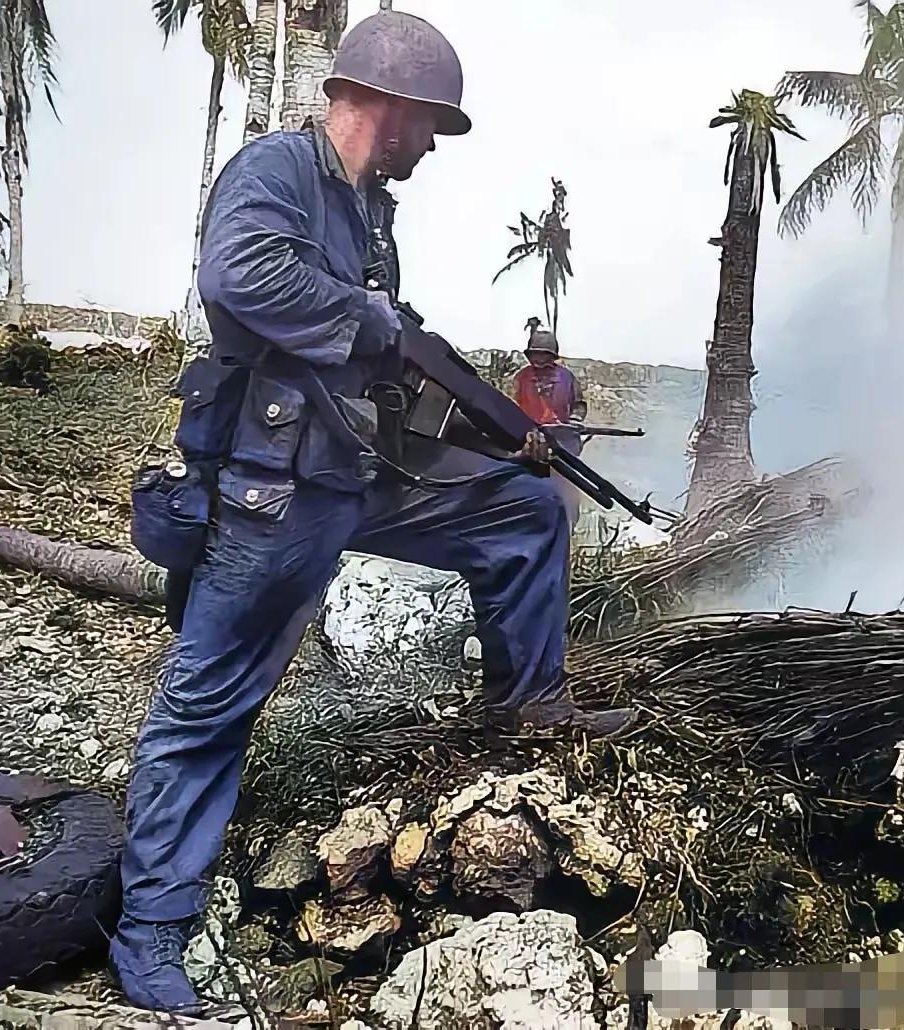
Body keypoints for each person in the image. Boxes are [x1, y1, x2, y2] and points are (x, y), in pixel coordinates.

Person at [109, 11, 635, 1015]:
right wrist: (366, 319)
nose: (432, 144)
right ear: (389, 106)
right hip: (273, 495)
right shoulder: (277, 173)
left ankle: (529, 705)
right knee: (206, 707)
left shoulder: (370, 213)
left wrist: (491, 431)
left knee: (526, 508)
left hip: (358, 472)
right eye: (430, 122)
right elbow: (238, 275)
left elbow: (385, 370)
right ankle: (150, 934)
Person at [512, 326, 588, 524]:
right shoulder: (521, 378)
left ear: (551, 356)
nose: (538, 360)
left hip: (561, 443)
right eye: (534, 354)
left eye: (543, 355)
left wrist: (574, 421)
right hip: (529, 442)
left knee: (565, 493)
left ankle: (567, 527)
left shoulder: (566, 377)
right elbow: (512, 406)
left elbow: (579, 405)